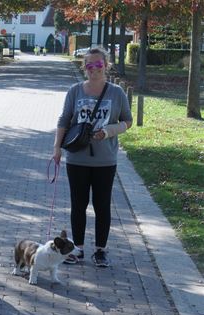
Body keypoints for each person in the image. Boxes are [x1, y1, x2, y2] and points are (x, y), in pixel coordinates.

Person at [52, 47, 132, 267]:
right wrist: (57, 148)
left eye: (98, 65)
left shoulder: (116, 92)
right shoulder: (75, 91)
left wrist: (108, 132)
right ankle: (77, 249)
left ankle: (100, 250)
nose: (94, 69)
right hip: (77, 158)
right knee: (78, 204)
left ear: (106, 66)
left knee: (102, 205)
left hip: (105, 159)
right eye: (89, 65)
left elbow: (127, 121)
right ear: (84, 67)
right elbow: (64, 120)